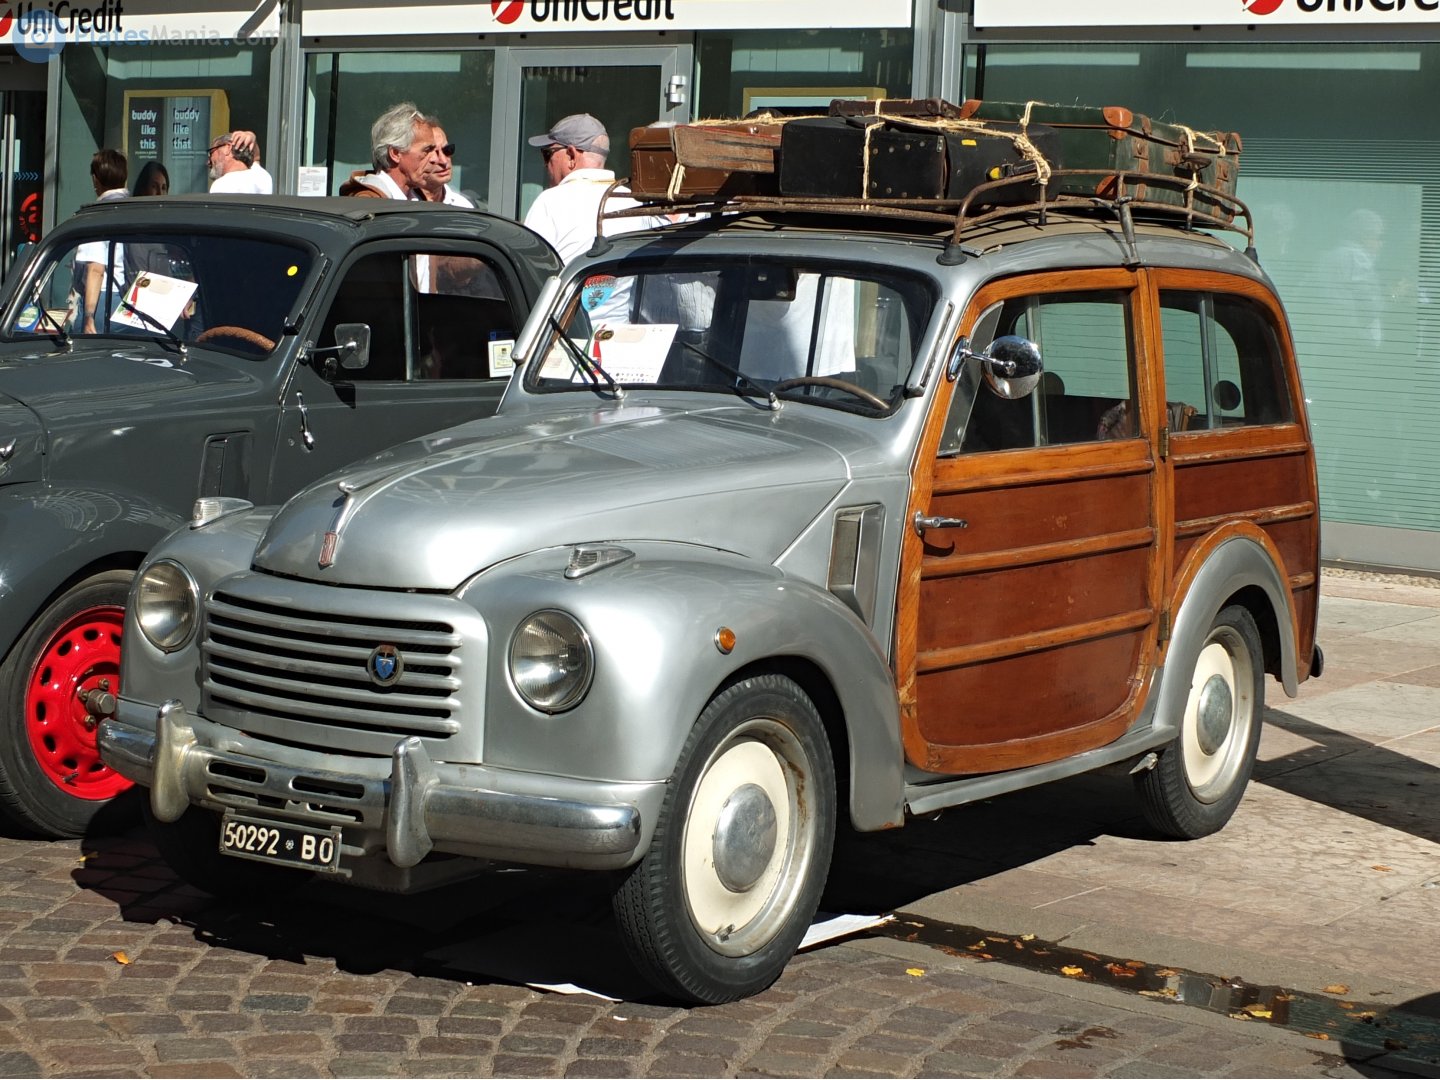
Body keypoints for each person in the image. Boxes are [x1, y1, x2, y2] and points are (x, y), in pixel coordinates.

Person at [522, 113, 654, 266]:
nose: (546, 165)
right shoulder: (633, 200)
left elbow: (529, 266)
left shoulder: (550, 201)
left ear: (571, 155)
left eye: (547, 154)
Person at [339, 103, 445, 200]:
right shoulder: (369, 203)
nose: (435, 159)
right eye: (427, 150)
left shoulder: (417, 198)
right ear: (395, 153)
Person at [74, 149, 129, 333]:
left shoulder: (99, 214)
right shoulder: (136, 209)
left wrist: (89, 317)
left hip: (105, 301)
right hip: (135, 299)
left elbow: (96, 268)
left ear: (95, 178)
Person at [415, 121, 474, 207]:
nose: (444, 161)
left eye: (447, 150)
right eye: (431, 152)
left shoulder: (463, 206)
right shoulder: (400, 202)